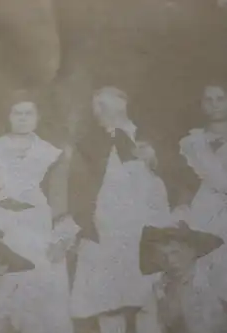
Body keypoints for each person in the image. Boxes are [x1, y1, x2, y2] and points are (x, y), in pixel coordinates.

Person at [0, 92, 79, 333]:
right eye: (17, 113)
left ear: (37, 117)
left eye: (29, 113)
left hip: (36, 224)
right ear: (8, 117)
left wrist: (61, 239)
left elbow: (58, 198)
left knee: (37, 285)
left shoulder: (51, 152)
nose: (23, 119)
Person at [69, 87, 173, 333]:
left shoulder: (148, 136)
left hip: (142, 224)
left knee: (147, 294)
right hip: (106, 226)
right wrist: (84, 225)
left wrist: (155, 159)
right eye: (96, 107)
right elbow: (80, 188)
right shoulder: (88, 144)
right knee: (108, 299)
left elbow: (172, 177)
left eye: (103, 106)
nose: (98, 113)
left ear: (122, 105)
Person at [179, 85, 227, 301]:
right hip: (204, 213)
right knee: (205, 285)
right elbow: (185, 184)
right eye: (209, 100)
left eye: (220, 99)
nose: (215, 105)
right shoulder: (191, 143)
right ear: (201, 105)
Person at [139, 221, 227, 333]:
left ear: (192, 251)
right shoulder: (159, 291)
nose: (171, 261)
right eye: (163, 257)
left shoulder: (213, 279)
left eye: (175, 253)